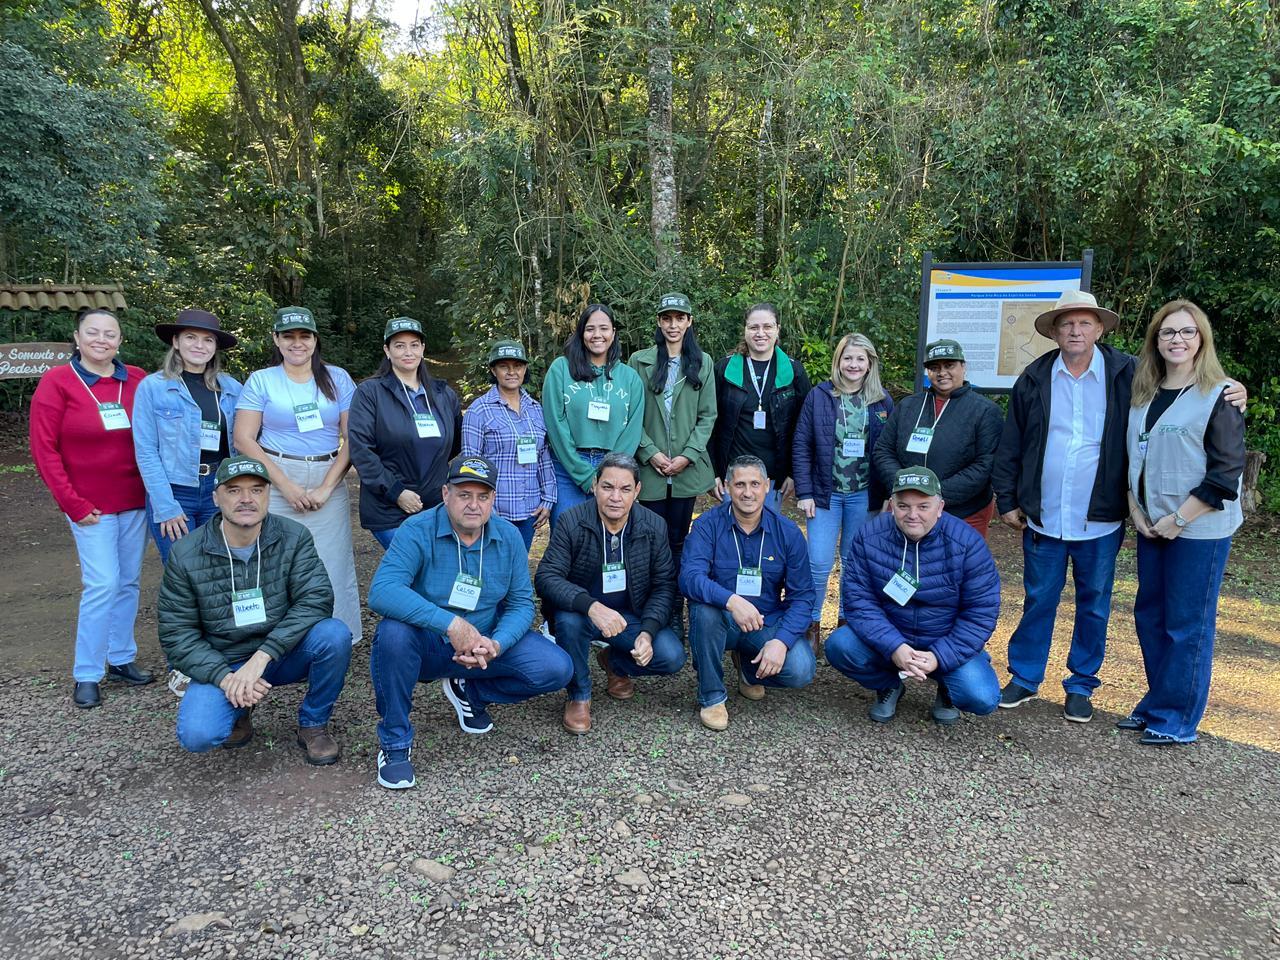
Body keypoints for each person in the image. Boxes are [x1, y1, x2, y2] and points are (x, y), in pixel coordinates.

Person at [991, 290, 1246, 723]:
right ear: (1053, 330)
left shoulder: (1127, 373)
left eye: (1085, 323)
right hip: (1045, 513)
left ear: (1100, 329)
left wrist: (1236, 389)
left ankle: (1081, 684)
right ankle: (1025, 676)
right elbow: (1011, 442)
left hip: (1101, 515)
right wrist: (1007, 497)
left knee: (1094, 602)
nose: (1075, 330)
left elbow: (1186, 384)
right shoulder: (1033, 378)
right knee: (1038, 599)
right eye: (1066, 323)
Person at [367, 455, 573, 790]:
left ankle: (470, 689)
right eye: (464, 495)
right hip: (429, 643)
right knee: (392, 634)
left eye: (483, 496)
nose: (473, 505)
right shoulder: (417, 530)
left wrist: (497, 643)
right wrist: (451, 625)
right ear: (446, 494)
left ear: (493, 499)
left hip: (485, 643)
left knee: (556, 667)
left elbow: (522, 604)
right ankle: (394, 744)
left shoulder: (508, 538)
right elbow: (382, 591)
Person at [157, 456, 352, 763]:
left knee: (334, 635)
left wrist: (262, 657)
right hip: (226, 661)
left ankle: (313, 724)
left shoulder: (293, 536)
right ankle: (239, 707)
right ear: (215, 497)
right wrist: (225, 677)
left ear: (268, 495)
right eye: (234, 490)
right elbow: (177, 635)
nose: (247, 499)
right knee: (198, 735)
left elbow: (316, 599)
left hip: (281, 653)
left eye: (257, 490)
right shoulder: (186, 553)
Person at [1122, 300, 1245, 745]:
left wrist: (1178, 519)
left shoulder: (1220, 394)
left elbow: (1225, 473)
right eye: (1168, 332)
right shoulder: (1144, 393)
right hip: (1151, 526)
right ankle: (1158, 701)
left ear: (1202, 340)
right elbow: (1132, 458)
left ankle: (1177, 718)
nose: (1177, 339)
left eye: (1187, 332)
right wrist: (1137, 512)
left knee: (1186, 623)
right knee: (1150, 616)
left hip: (1198, 530)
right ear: (1156, 340)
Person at [29, 307, 153, 708]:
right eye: (93, 332)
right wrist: (73, 503)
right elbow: (44, 450)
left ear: (120, 340)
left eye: (110, 334)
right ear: (77, 337)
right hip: (89, 505)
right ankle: (87, 672)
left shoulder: (136, 379)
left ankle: (120, 657)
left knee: (129, 581)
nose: (102, 340)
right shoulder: (57, 383)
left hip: (135, 500)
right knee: (102, 584)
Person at [825, 468, 1001, 725]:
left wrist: (940, 656)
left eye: (923, 506)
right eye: (904, 505)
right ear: (891, 505)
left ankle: (947, 690)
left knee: (982, 697)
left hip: (944, 637)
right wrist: (895, 646)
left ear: (940, 507)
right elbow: (859, 601)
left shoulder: (968, 544)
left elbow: (981, 612)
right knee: (840, 646)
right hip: (893, 636)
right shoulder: (869, 537)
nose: (913, 515)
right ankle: (889, 685)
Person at [233, 307, 363, 644]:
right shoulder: (262, 379)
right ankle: (278, 641)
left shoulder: (338, 378)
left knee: (331, 561)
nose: (297, 343)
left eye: (304, 336)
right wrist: (286, 486)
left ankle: (335, 639)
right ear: (276, 340)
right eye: (288, 336)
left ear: (315, 339)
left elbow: (353, 439)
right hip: (275, 476)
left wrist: (326, 487)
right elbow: (244, 438)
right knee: (273, 562)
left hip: (327, 474)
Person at [534, 453, 687, 734]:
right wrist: (591, 606)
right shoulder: (571, 521)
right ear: (595, 485)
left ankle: (614, 663)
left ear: (637, 491)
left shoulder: (654, 525)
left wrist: (649, 631)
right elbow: (546, 577)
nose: (615, 497)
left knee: (671, 655)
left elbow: (665, 584)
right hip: (583, 615)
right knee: (568, 620)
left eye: (625, 489)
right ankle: (579, 694)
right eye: (607, 487)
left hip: (631, 617)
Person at [680, 455, 816, 731]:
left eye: (755, 484)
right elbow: (689, 578)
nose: (747, 492)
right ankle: (712, 696)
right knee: (702, 610)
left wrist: (782, 641)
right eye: (740, 484)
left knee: (801, 668)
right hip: (723, 619)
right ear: (728, 487)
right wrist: (731, 601)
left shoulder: (788, 532)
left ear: (767, 486)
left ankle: (749, 668)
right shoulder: (707, 525)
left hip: (765, 622)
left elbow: (802, 597)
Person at [793, 332, 894, 645]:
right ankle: (810, 627)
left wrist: (889, 493)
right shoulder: (820, 395)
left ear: (869, 364)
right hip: (826, 495)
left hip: (864, 497)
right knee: (818, 563)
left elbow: (889, 449)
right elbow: (802, 444)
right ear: (838, 361)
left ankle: (847, 626)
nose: (853, 364)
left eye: (860, 359)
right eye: (847, 358)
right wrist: (805, 492)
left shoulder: (882, 401)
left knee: (855, 562)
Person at [626, 292, 717, 631]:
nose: (673, 324)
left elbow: (708, 416)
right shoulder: (639, 361)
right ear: (659, 322)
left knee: (678, 541)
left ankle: (675, 612)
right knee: (649, 541)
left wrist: (686, 456)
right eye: (667, 318)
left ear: (689, 321)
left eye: (680, 318)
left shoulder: (703, 362)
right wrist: (651, 454)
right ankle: (651, 612)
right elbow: (631, 414)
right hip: (649, 473)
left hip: (685, 473)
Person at [133, 309, 242, 563]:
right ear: (176, 342)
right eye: (191, 337)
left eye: (208, 340)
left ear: (215, 347)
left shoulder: (232, 388)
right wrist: (165, 505)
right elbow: (146, 450)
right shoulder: (153, 388)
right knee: (183, 570)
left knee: (220, 567)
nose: (199, 346)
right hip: (175, 491)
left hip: (219, 488)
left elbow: (244, 440)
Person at [348, 317, 462, 550]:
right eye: (399, 345)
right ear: (387, 351)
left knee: (435, 573)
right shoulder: (370, 393)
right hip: (390, 507)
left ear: (422, 349)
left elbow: (455, 443)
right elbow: (361, 450)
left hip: (436, 506)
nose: (407, 352)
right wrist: (396, 492)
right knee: (414, 568)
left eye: (414, 344)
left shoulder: (443, 395)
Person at [873, 338, 1003, 536]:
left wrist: (933, 493)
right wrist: (907, 486)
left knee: (958, 565)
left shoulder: (985, 411)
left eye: (949, 365)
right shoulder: (908, 406)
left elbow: (985, 465)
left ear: (963, 367)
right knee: (910, 564)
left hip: (964, 511)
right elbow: (883, 450)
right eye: (934, 367)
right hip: (910, 510)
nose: (942, 373)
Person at [542, 304, 645, 526]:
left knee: (608, 537)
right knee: (567, 535)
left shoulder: (630, 378)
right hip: (567, 468)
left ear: (613, 332)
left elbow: (633, 430)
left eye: (604, 328)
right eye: (590, 329)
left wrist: (611, 474)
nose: (597, 335)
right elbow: (556, 424)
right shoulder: (561, 369)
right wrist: (584, 475)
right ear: (581, 333)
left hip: (614, 470)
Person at [710, 303, 811, 511]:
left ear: (777, 330)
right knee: (732, 536)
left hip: (773, 479)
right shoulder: (724, 369)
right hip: (733, 477)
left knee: (766, 537)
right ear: (745, 330)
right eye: (754, 327)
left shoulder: (793, 371)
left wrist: (793, 473)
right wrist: (713, 473)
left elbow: (804, 428)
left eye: (767, 326)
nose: (761, 333)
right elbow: (709, 423)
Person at [460, 339, 556, 550]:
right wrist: (482, 507)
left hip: (530, 509)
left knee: (519, 566)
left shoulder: (535, 409)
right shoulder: (479, 411)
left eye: (518, 366)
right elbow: (470, 466)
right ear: (494, 370)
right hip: (494, 510)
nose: (512, 372)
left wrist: (548, 499)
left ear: (525, 369)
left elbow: (544, 458)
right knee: (491, 569)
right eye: (504, 366)